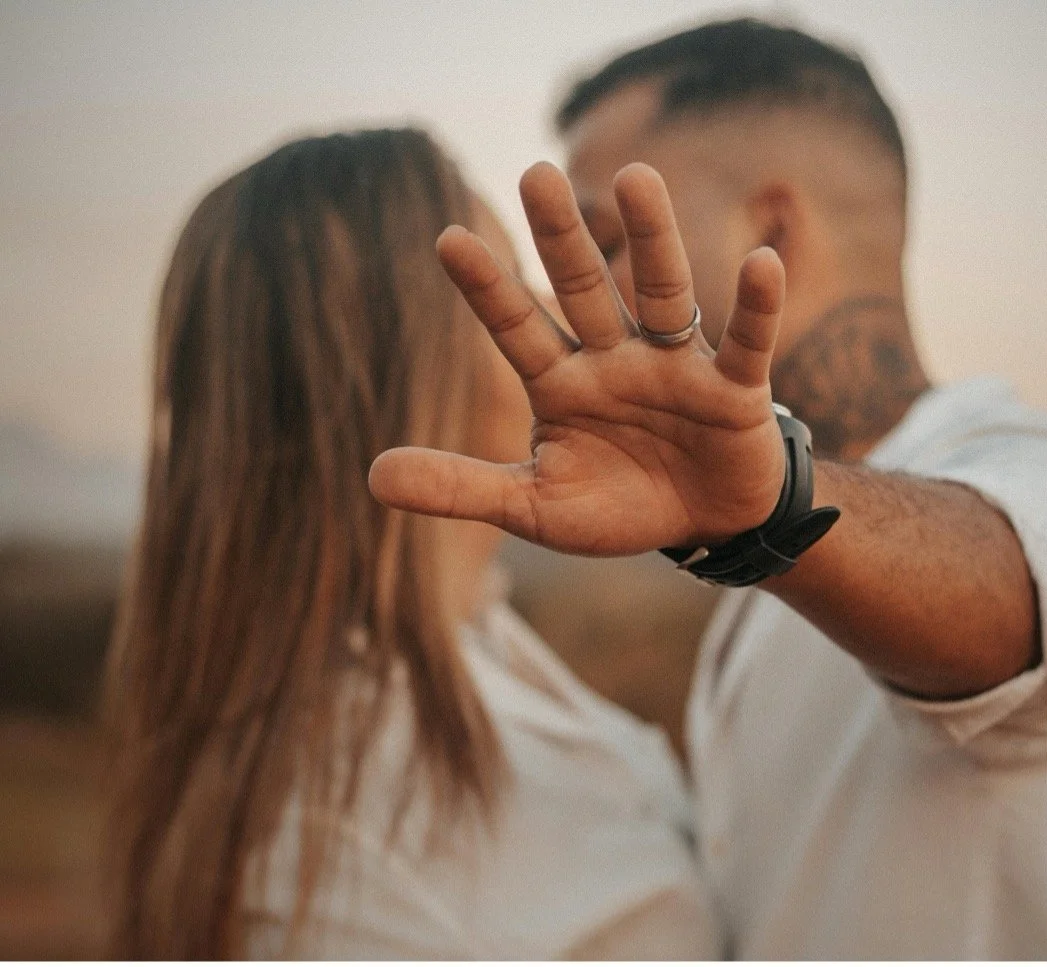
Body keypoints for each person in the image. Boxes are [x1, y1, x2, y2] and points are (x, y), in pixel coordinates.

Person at [369, 18, 1047, 960]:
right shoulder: (756, 582)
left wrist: (771, 511)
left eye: (609, 242)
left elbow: (1022, 596)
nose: (578, 296)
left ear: (769, 228)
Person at [103, 127, 722, 959]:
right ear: (405, 355)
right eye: (505, 285)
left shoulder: (478, 632)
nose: (546, 312)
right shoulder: (333, 847)